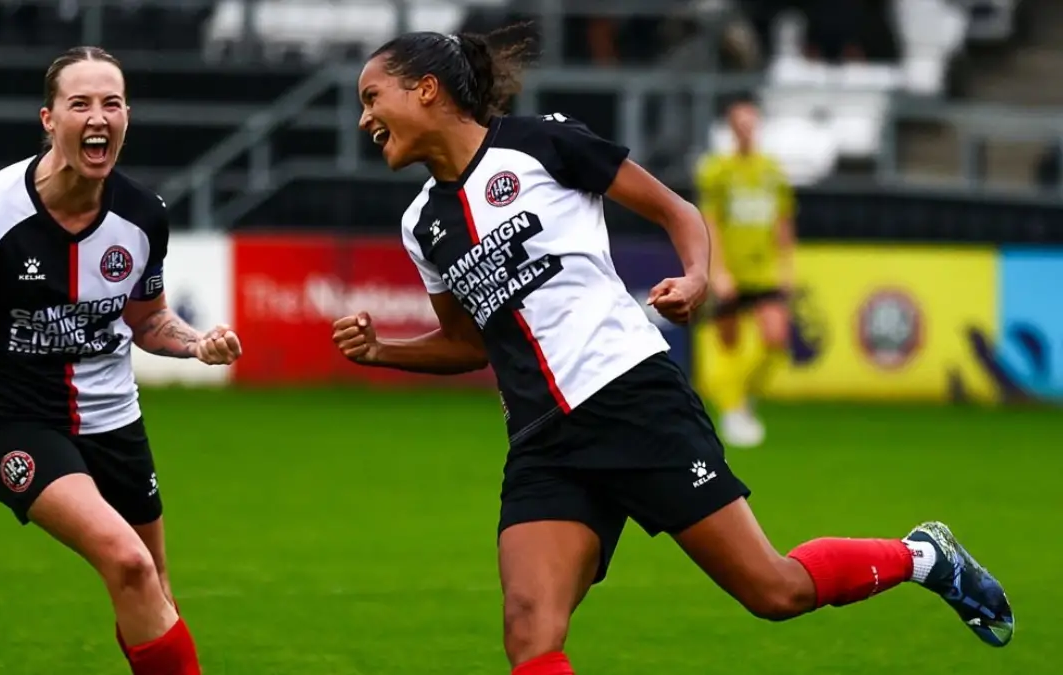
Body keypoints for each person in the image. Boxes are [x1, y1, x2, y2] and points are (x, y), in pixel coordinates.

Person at [331, 27, 1014, 675]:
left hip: (632, 401)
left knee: (773, 590)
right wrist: (382, 350)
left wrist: (694, 276)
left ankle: (924, 556)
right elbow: (466, 344)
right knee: (529, 628)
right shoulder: (421, 224)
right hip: (543, 441)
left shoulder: (543, 144)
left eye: (372, 97)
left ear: (425, 89)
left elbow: (676, 211)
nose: (364, 119)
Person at [0, 46, 241, 675]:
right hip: (8, 417)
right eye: (81, 104)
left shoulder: (143, 216)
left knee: (152, 588)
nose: (99, 116)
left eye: (112, 103)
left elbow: (148, 319)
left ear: (127, 117)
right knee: (125, 560)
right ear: (49, 119)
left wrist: (196, 343)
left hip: (114, 419)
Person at [694, 97, 795, 448]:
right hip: (731, 271)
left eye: (751, 124)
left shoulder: (773, 171)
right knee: (729, 341)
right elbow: (710, 222)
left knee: (776, 338)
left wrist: (786, 266)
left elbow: (783, 220)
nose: (746, 131)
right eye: (740, 124)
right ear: (731, 129)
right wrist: (717, 270)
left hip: (765, 270)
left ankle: (742, 400)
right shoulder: (716, 170)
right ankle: (732, 408)